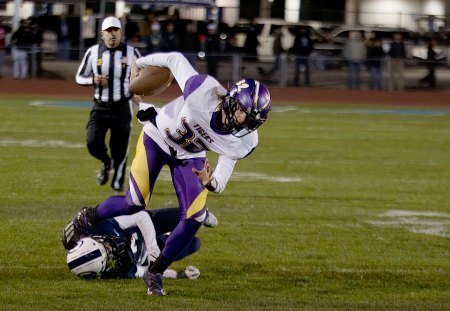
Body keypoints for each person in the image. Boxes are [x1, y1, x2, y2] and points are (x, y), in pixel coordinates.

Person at [69, 51, 271, 296]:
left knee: (195, 217)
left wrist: (210, 182)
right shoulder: (202, 90)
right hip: (158, 138)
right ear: (233, 100)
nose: (245, 124)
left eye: (253, 121)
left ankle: (155, 271)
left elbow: (221, 179)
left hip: (189, 156)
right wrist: (139, 64)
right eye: (244, 115)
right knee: (135, 202)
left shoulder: (245, 141)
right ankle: (88, 216)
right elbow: (175, 59)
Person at [75, 16, 141, 191]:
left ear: (121, 32)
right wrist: (93, 80)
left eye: (116, 30)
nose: (112, 34)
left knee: (120, 147)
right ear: (102, 34)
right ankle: (106, 162)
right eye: (109, 31)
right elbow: (79, 77)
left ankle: (118, 182)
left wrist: (137, 92)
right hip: (100, 106)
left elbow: (143, 76)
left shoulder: (132, 53)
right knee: (92, 142)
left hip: (122, 106)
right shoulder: (93, 52)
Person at [63, 207, 217, 279]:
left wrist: (152, 249)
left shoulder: (99, 226)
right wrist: (178, 275)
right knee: (194, 243)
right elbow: (143, 272)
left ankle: (203, 215)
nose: (111, 252)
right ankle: (176, 233)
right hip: (145, 253)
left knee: (192, 214)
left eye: (106, 249)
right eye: (108, 259)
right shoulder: (116, 270)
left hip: (145, 226)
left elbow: (141, 216)